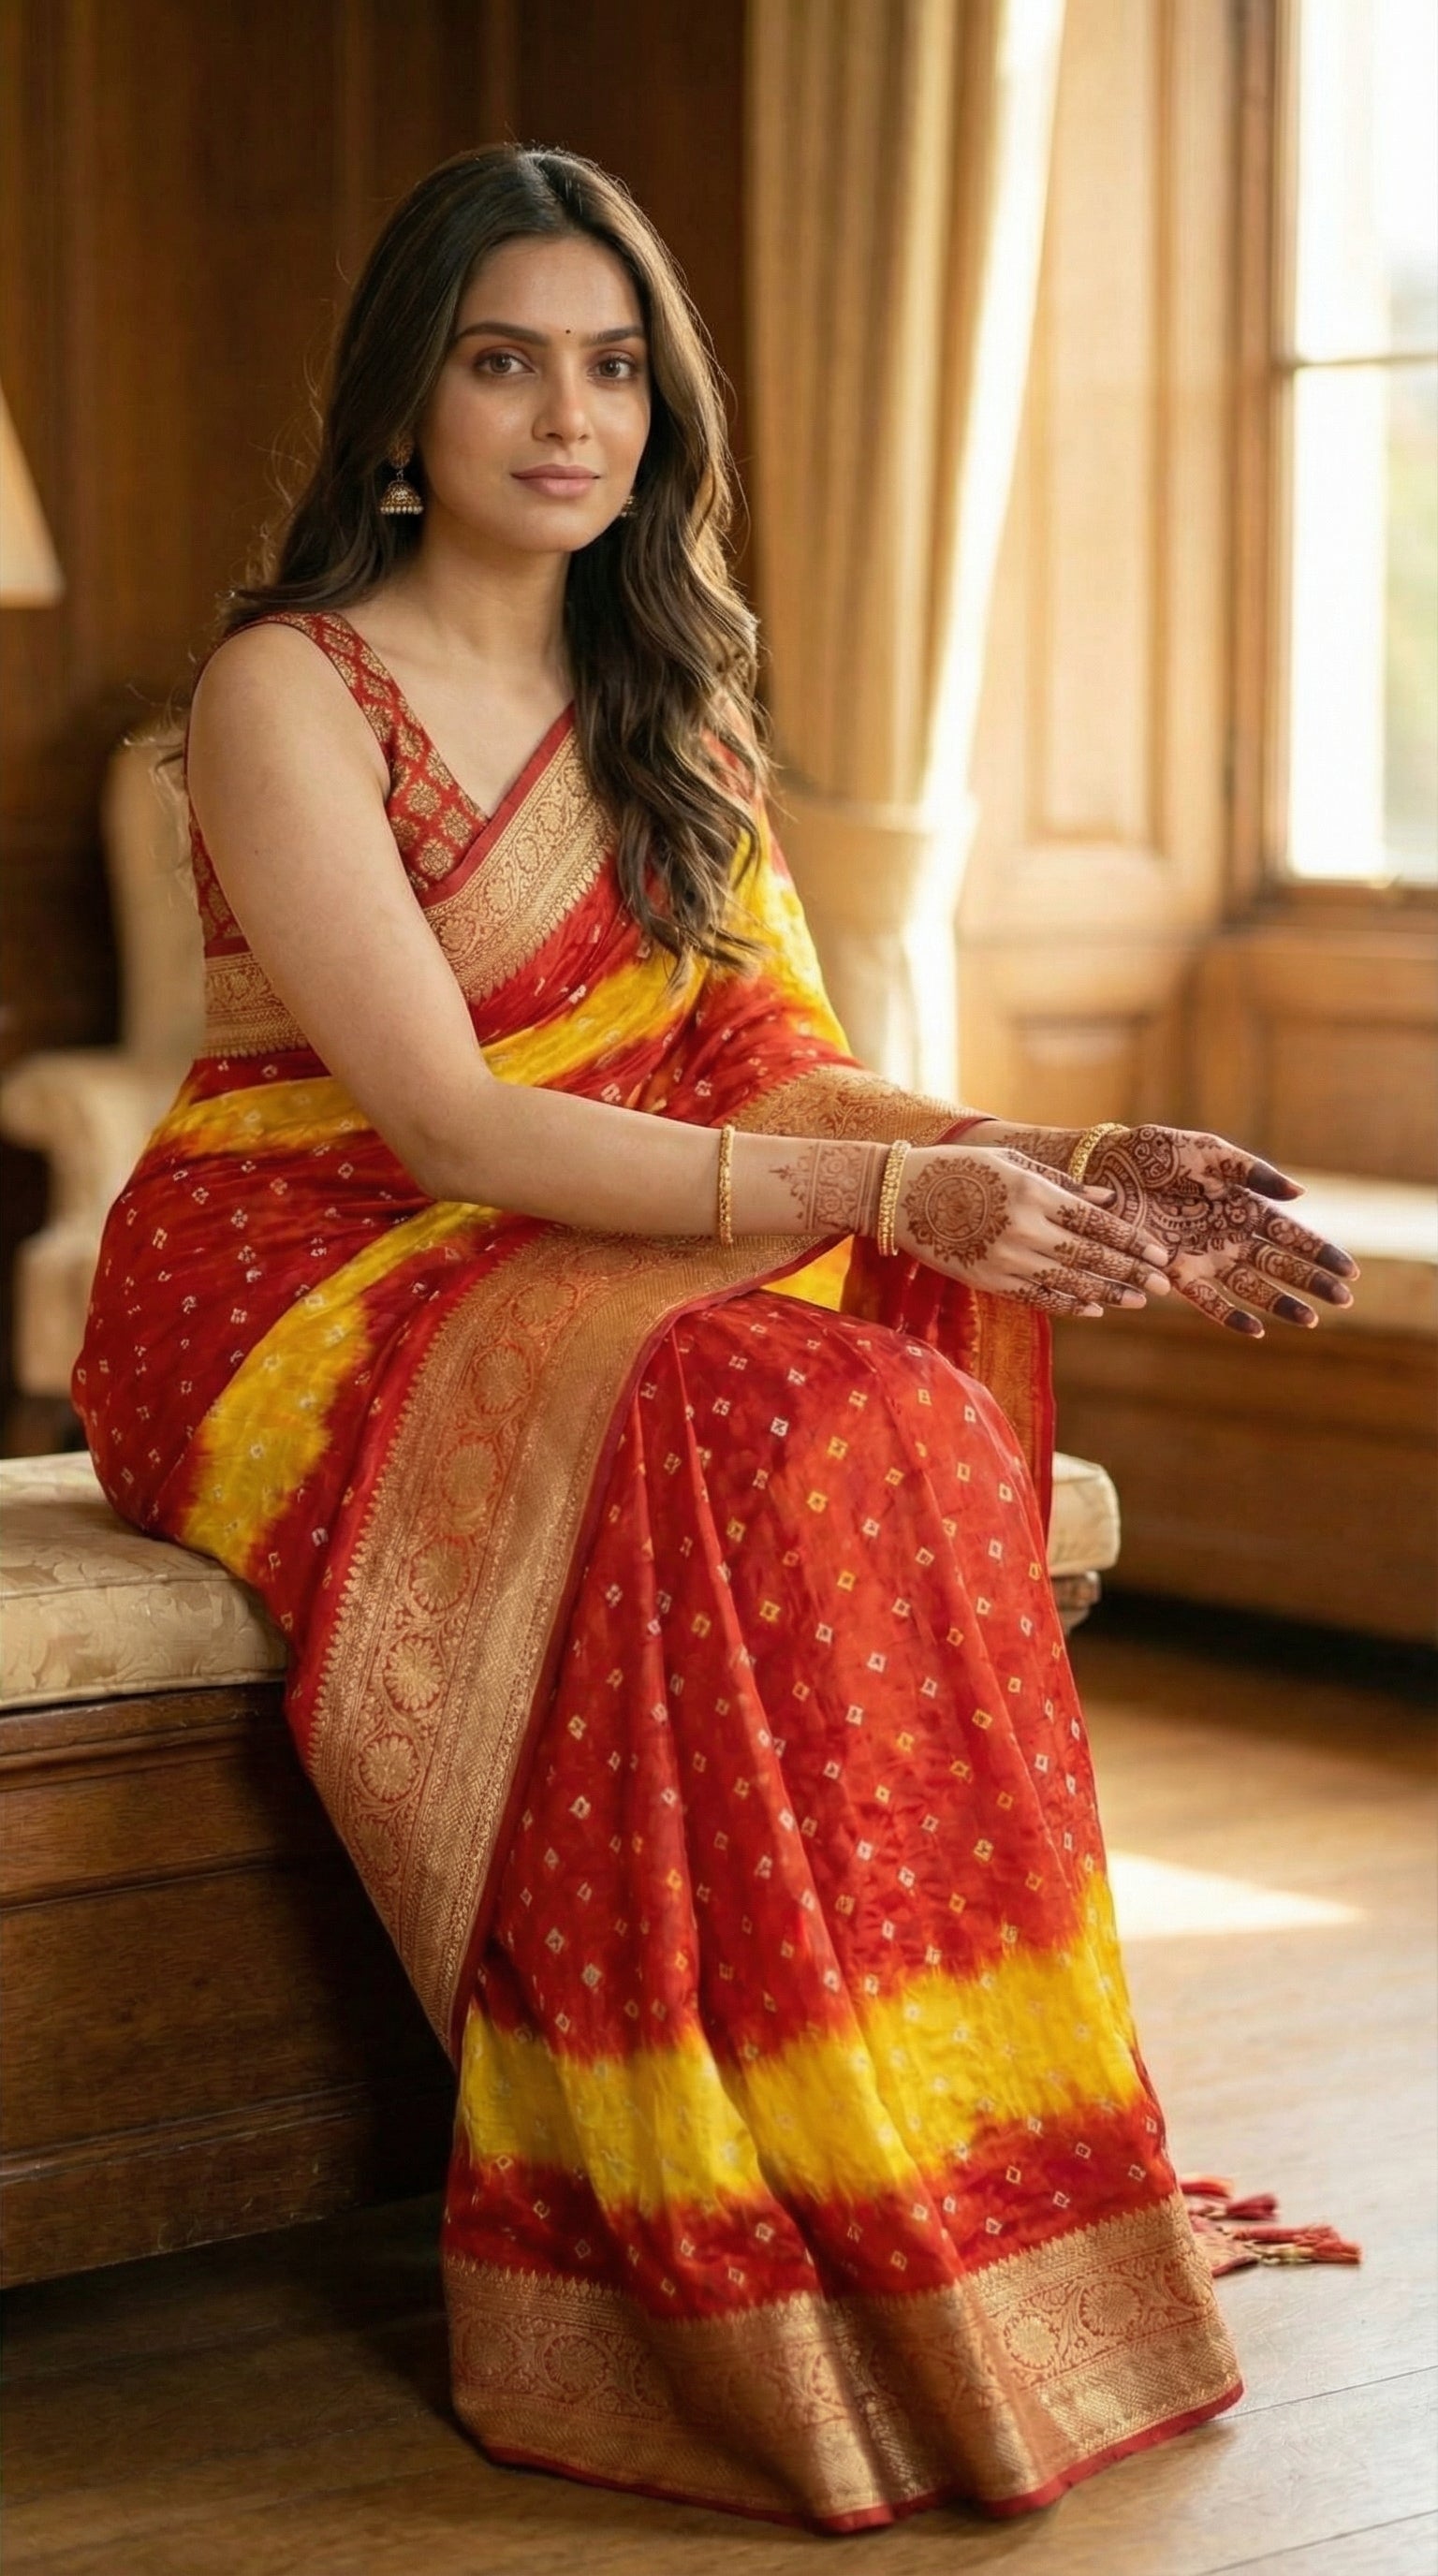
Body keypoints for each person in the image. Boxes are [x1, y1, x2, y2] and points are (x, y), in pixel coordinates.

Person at [73, 145, 1358, 2532]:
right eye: (504, 359)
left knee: (896, 1427)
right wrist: (898, 1197)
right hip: (288, 1267)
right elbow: (449, 1121)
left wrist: (1047, 1157)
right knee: (758, 1421)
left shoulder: (670, 693)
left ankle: (931, 2151)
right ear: (403, 403)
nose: (569, 415)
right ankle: (701, 2217)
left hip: (573, 1240)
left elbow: (764, 1062)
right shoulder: (291, 681)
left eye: (614, 365)